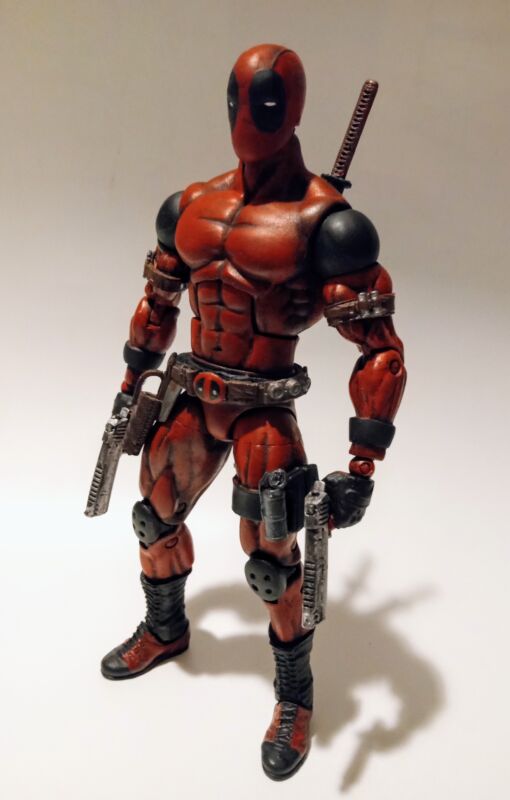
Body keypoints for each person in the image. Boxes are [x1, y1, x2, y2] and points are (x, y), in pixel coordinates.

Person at [98, 43, 406, 780]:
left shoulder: (326, 224)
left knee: (271, 562)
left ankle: (296, 696)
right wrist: (132, 380)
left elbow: (381, 351)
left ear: (293, 110)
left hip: (264, 409)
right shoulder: (190, 206)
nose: (251, 117)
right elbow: (158, 303)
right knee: (152, 519)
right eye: (240, 101)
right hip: (193, 393)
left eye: (266, 102)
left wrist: (362, 464)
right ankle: (166, 628)